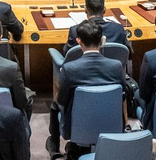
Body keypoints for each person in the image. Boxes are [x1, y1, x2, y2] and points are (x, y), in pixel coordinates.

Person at [49, 21, 127, 159]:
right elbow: (123, 97)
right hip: (111, 125)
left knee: (55, 103)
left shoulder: (70, 69)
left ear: (79, 41)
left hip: (78, 128)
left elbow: (62, 100)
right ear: (102, 40)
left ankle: (54, 145)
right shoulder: (116, 66)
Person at [63, 0, 131, 54]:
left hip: (84, 64)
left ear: (85, 9)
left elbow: (67, 53)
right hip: (113, 64)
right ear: (104, 10)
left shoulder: (75, 30)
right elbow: (128, 53)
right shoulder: (118, 29)